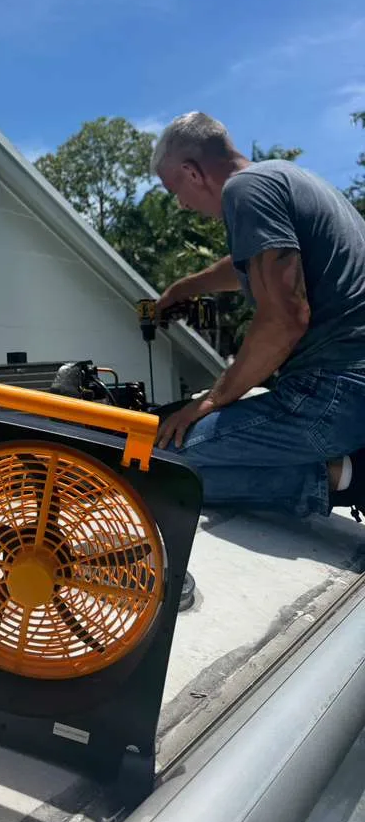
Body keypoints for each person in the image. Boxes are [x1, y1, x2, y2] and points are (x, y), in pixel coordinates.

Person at [150, 111, 365, 521]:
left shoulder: (244, 191)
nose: (180, 204)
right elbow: (250, 263)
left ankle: (347, 478)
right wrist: (183, 289)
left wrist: (210, 400)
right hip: (349, 389)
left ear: (192, 173)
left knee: (163, 463)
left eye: (174, 189)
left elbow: (286, 317)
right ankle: (345, 471)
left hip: (334, 396)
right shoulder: (284, 176)